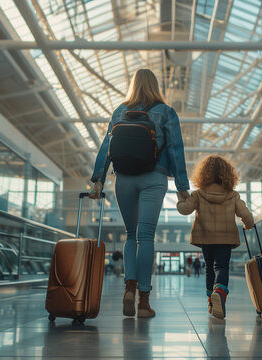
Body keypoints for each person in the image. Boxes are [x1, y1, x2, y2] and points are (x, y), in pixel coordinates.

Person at [89, 68, 190, 318]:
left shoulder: (120, 112)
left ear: (133, 85)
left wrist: (98, 180)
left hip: (123, 180)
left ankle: (129, 288)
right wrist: (181, 188)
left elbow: (106, 148)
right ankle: (144, 301)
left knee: (130, 235)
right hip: (154, 178)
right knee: (146, 237)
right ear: (155, 85)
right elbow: (176, 149)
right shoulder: (166, 112)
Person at [177, 155, 254, 319]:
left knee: (209, 268)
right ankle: (219, 292)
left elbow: (184, 209)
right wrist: (248, 225)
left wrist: (180, 195)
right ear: (227, 174)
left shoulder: (198, 194)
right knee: (221, 267)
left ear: (203, 174)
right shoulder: (232, 195)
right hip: (226, 238)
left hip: (206, 238)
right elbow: (246, 215)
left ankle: (211, 302)